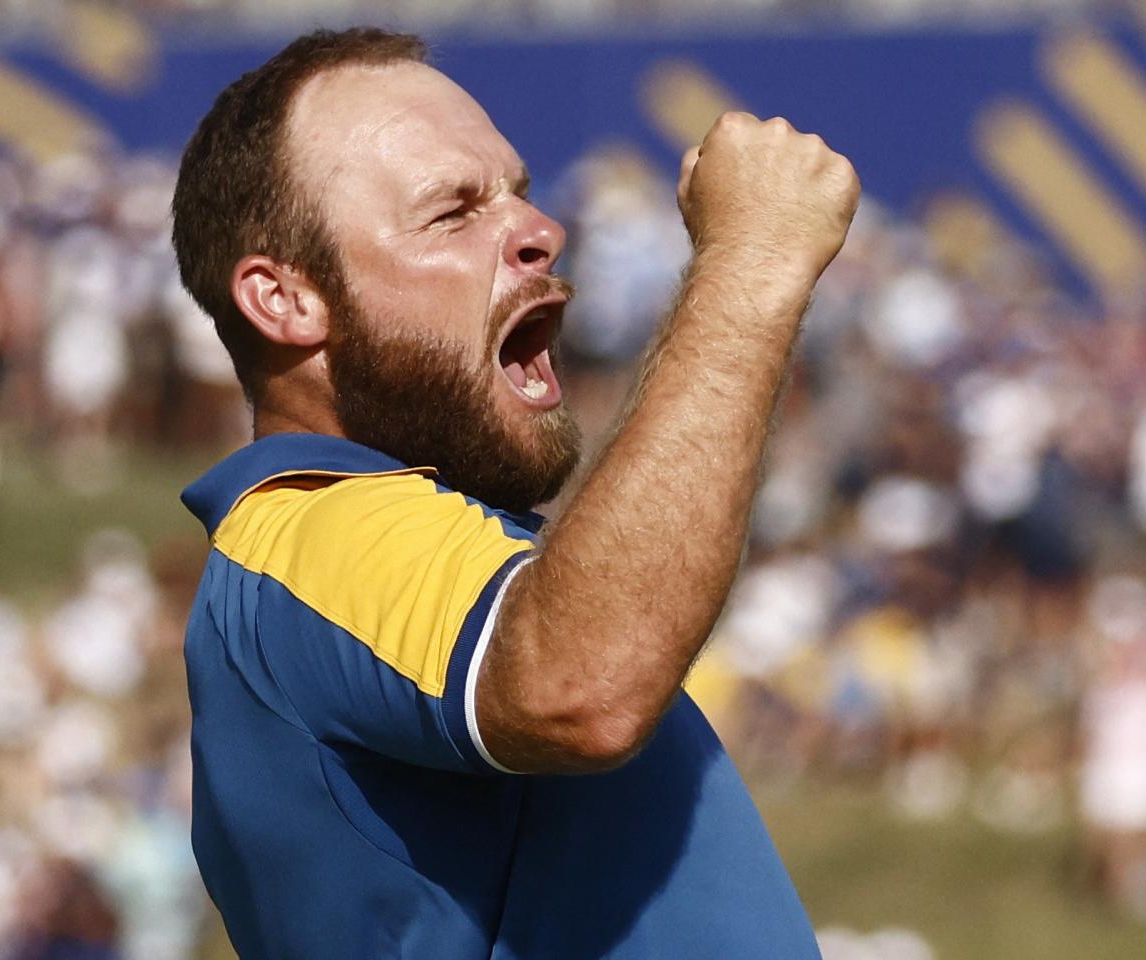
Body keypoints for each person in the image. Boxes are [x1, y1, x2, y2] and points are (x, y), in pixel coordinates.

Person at [170, 27, 859, 959]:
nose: (540, 232)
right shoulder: (309, 526)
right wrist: (750, 266)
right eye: (454, 212)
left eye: (519, 193)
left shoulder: (406, 539)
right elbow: (582, 683)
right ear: (284, 300)